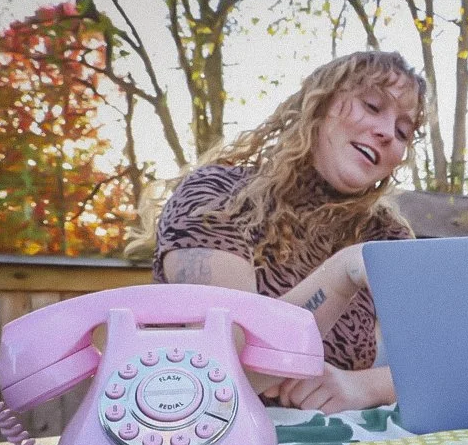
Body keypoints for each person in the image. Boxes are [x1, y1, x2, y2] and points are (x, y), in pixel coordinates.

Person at [127, 50, 425, 413]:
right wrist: (341, 274)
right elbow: (226, 363)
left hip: (336, 442)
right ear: (319, 105)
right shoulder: (215, 196)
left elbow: (447, 363)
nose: (387, 133)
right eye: (372, 106)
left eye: (403, 132)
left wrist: (365, 386)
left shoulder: (386, 236)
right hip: (200, 431)